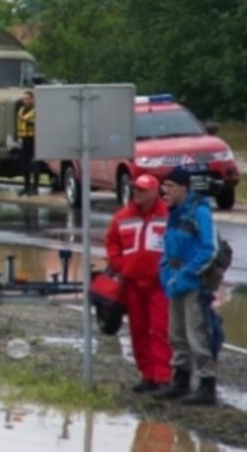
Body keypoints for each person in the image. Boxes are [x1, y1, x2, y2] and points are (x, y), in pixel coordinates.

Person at [153, 166, 222, 406]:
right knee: (176, 334)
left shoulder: (200, 212)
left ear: (184, 187)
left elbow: (209, 249)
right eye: (164, 186)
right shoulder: (173, 212)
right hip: (175, 281)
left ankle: (206, 384)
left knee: (197, 334)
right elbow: (167, 246)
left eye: (170, 186)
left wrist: (187, 273)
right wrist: (166, 272)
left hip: (194, 283)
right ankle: (180, 381)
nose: (165, 191)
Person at [104, 173, 171, 392]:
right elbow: (113, 243)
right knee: (138, 330)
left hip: (160, 284)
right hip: (132, 284)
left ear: (154, 192)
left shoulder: (167, 215)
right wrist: (120, 264)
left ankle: (163, 376)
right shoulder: (122, 217)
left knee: (160, 330)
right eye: (136, 189)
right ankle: (147, 375)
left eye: (142, 190)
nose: (137, 193)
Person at [16, 89, 38, 195]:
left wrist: (26, 120)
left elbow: (38, 122)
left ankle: (35, 188)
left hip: (34, 139)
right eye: (23, 99)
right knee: (24, 164)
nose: (24, 100)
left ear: (32, 99)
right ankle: (26, 186)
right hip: (24, 139)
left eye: (27, 98)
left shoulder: (36, 110)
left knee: (35, 164)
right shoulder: (21, 109)